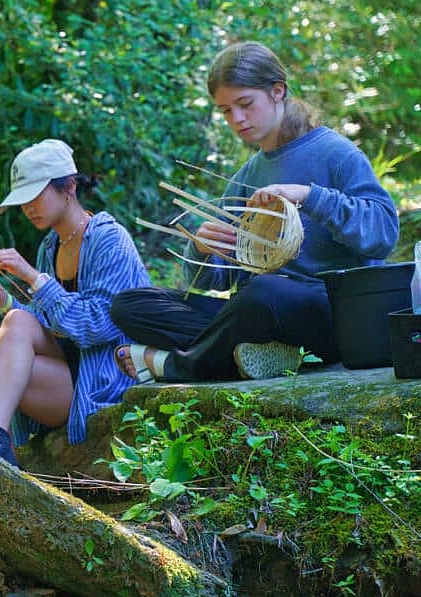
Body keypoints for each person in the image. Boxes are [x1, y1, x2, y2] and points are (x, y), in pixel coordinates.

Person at [110, 41, 399, 382]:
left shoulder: (335, 152)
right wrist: (203, 249)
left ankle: (178, 365)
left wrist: (309, 195)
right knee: (129, 305)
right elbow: (212, 280)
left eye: (245, 104)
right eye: (226, 111)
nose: (237, 119)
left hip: (330, 317)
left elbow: (384, 233)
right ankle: (264, 355)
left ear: (278, 91)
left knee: (264, 293)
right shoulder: (246, 175)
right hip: (257, 312)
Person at [0, 139, 151, 465]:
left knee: (16, 322)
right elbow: (44, 324)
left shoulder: (110, 239)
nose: (28, 207)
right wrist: (3, 300)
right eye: (22, 200)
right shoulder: (50, 246)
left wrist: (33, 277)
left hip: (101, 382)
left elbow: (94, 326)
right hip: (61, 375)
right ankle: (0, 457)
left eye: (35, 196)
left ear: (69, 186)